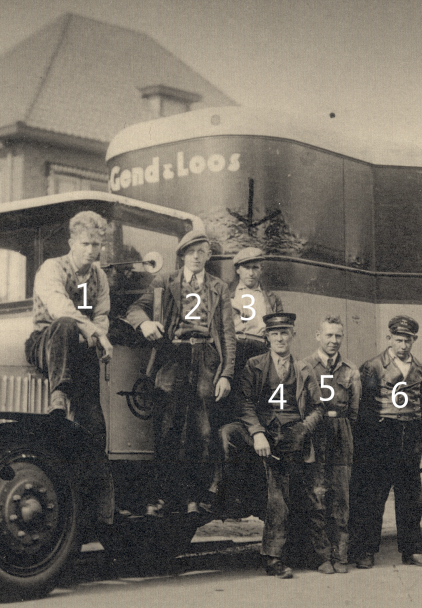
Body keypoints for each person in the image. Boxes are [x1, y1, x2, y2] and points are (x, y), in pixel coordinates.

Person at [126, 229, 237, 516]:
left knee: (201, 431)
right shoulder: (165, 281)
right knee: (166, 428)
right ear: (183, 255)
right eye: (191, 251)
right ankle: (162, 495)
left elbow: (227, 334)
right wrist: (145, 325)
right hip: (173, 354)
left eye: (202, 251)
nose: (197, 256)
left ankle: (193, 497)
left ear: (209, 255)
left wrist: (226, 373)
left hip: (205, 357)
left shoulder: (219, 287)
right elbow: (136, 309)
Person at [219, 313, 327, 578]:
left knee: (279, 496)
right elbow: (244, 403)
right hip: (262, 431)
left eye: (285, 333)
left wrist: (304, 429)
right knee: (227, 433)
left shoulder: (304, 369)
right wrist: (256, 433)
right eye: (275, 333)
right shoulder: (254, 365)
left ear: (292, 336)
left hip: (290, 437)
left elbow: (318, 407)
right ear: (267, 337)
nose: (280, 338)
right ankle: (225, 488)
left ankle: (273, 558)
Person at [24, 210, 114, 525]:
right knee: (64, 323)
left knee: (95, 422)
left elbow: (102, 314)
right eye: (87, 244)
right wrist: (91, 331)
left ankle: (95, 503)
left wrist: (99, 336)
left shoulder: (99, 276)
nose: (92, 250)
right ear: (72, 242)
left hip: (79, 349)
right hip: (45, 343)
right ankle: (59, 394)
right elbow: (60, 306)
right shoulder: (52, 268)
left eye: (97, 245)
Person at [349, 315, 422, 569]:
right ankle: (366, 551)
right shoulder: (374, 366)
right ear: (389, 339)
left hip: (408, 438)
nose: (403, 345)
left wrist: (418, 438)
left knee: (411, 499)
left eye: (408, 340)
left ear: (414, 340)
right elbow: (364, 407)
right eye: (399, 340)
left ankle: (412, 551)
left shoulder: (419, 368)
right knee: (374, 498)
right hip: (381, 437)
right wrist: (369, 442)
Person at [300, 316, 360, 573]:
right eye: (329, 335)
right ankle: (322, 557)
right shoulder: (304, 367)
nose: (334, 341)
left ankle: (341, 556)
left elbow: (355, 411)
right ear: (318, 336)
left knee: (341, 498)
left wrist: (343, 430)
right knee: (317, 497)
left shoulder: (351, 371)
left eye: (338, 336)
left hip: (341, 434)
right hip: (315, 435)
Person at [229, 247, 283, 375]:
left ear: (261, 270)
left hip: (261, 349)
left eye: (255, 267)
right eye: (246, 268)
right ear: (238, 270)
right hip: (235, 348)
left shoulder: (272, 299)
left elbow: (279, 330)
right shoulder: (226, 295)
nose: (251, 273)